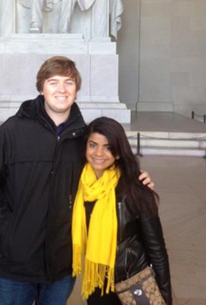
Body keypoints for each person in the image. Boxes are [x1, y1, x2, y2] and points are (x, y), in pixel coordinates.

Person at [0, 56, 153, 305]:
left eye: (69, 82)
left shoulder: (84, 137)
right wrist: (8, 229)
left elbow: (105, 172)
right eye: (53, 82)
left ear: (76, 90)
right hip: (14, 261)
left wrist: (135, 179)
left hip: (62, 263)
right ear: (41, 88)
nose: (61, 89)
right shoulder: (12, 130)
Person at [72, 117, 172, 304]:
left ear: (118, 152)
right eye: (93, 145)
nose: (99, 153)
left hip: (131, 283)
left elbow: (157, 249)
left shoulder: (136, 189)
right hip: (97, 282)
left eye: (108, 147)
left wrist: (164, 297)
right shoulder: (78, 186)